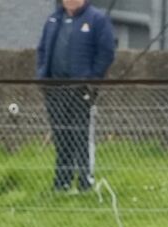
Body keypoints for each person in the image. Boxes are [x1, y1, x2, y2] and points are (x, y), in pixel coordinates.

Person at [36, 0, 115, 193]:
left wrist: (92, 79)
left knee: (80, 136)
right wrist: (42, 75)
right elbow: (43, 50)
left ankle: (85, 182)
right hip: (55, 89)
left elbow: (106, 52)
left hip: (80, 90)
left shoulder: (97, 20)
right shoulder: (54, 19)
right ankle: (62, 182)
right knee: (61, 137)